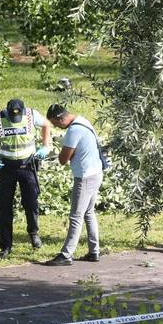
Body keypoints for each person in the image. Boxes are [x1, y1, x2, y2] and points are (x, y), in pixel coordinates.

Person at [0, 99, 51, 258]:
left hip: (27, 165)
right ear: (7, 111)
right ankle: (5, 246)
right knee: (4, 208)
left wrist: (45, 146)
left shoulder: (31, 115)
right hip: (6, 167)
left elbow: (46, 124)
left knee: (31, 202)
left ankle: (33, 233)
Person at [43, 104, 103, 266]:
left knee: (76, 216)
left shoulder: (73, 131)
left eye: (55, 124)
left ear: (60, 118)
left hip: (84, 177)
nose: (56, 127)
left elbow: (63, 159)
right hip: (96, 173)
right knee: (89, 213)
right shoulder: (83, 121)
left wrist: (65, 153)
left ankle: (66, 254)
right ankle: (94, 251)